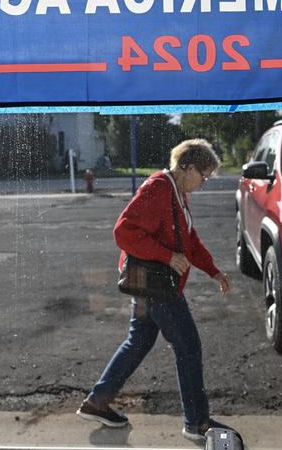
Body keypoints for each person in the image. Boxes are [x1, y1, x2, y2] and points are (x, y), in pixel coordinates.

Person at [76, 139, 233, 442]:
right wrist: (167, 256)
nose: (205, 181)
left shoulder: (178, 193)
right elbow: (123, 231)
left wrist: (213, 271)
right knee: (188, 346)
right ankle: (197, 422)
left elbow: (191, 241)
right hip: (157, 287)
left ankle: (97, 402)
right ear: (186, 167)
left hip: (150, 283)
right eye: (204, 174)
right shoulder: (158, 189)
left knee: (139, 341)